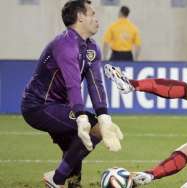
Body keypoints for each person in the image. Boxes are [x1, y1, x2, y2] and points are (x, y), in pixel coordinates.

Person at [21, 1, 123, 187]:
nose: (96, 18)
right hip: (38, 106)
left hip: (59, 107)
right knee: (92, 129)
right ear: (80, 17)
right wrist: (81, 117)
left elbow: (96, 85)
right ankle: (56, 179)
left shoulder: (92, 48)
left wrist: (104, 116)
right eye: (92, 13)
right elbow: (73, 85)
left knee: (74, 144)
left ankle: (73, 183)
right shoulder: (64, 44)